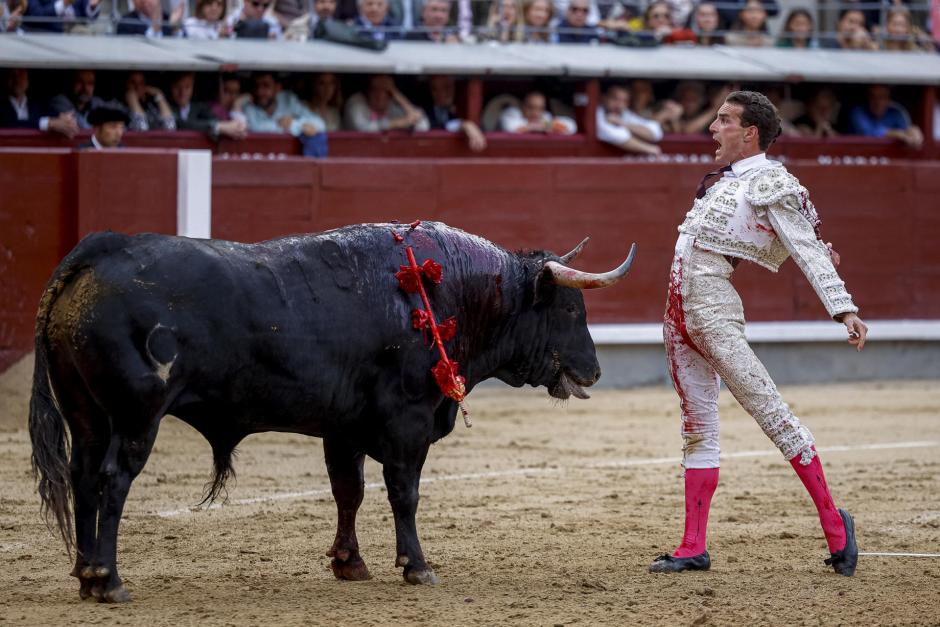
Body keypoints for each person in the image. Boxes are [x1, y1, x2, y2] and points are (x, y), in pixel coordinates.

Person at [651, 90, 865, 577]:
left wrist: (843, 308)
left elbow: (806, 248)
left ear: (749, 133)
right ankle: (692, 546)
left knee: (772, 413)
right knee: (697, 429)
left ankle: (836, 528)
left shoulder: (769, 179)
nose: (712, 127)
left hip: (712, 312)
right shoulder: (729, 181)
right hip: (678, 315)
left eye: (723, 120)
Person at [1, 68, 79, 137]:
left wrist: (65, 119)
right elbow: (12, 124)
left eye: (21, 74)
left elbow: (54, 116)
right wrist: (49, 123)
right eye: (12, 75)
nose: (17, 80)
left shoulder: (38, 103)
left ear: (27, 77)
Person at [169, 72, 246, 140]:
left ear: (193, 87)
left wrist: (236, 126)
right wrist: (217, 127)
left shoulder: (200, 106)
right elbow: (180, 124)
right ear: (170, 87)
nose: (182, 93)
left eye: (187, 87)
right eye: (177, 87)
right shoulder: (167, 107)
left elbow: (218, 121)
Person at [343, 74, 429, 131]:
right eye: (375, 90)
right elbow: (362, 128)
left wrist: (397, 95)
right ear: (367, 91)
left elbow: (423, 126)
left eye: (385, 90)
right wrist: (396, 123)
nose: (380, 96)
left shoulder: (393, 105)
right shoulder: (356, 102)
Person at [422, 74, 486, 151]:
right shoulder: (424, 110)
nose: (442, 93)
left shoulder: (460, 106)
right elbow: (441, 127)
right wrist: (465, 124)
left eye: (447, 88)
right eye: (435, 89)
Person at [848, 84, 923, 149]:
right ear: (867, 99)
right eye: (872, 97)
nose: (877, 102)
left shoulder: (896, 113)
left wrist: (912, 133)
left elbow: (905, 133)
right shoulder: (858, 112)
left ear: (888, 99)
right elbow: (869, 133)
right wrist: (897, 134)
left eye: (882, 97)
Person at [595, 84, 662, 155]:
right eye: (615, 99)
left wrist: (622, 123)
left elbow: (655, 131)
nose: (619, 105)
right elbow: (612, 134)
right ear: (603, 98)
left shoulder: (625, 114)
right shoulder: (596, 112)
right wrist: (648, 148)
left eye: (624, 101)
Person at [499, 90, 576, 134]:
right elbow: (511, 128)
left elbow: (572, 127)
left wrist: (549, 125)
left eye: (540, 109)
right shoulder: (512, 113)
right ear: (523, 106)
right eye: (531, 107)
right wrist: (541, 126)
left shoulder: (545, 117)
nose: (536, 113)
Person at [116, 0, 182, 37]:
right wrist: (154, 30)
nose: (144, 1)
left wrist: (175, 29)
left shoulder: (167, 19)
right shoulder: (126, 22)